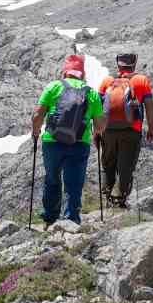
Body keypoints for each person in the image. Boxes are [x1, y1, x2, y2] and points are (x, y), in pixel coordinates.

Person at [31, 55, 106, 225]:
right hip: (79, 143)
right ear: (82, 73)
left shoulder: (53, 87)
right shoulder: (91, 93)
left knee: (52, 178)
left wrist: (35, 132)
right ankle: (71, 219)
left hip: (52, 141)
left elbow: (37, 115)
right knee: (74, 182)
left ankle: (50, 217)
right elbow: (100, 125)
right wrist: (99, 126)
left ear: (65, 71)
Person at [97, 52, 153, 209]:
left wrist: (96, 132)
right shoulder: (140, 80)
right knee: (126, 166)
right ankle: (120, 199)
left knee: (108, 163)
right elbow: (149, 106)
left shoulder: (107, 81)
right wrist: (151, 128)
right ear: (134, 65)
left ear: (118, 65)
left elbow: (97, 109)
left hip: (108, 130)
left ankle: (107, 197)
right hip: (131, 130)